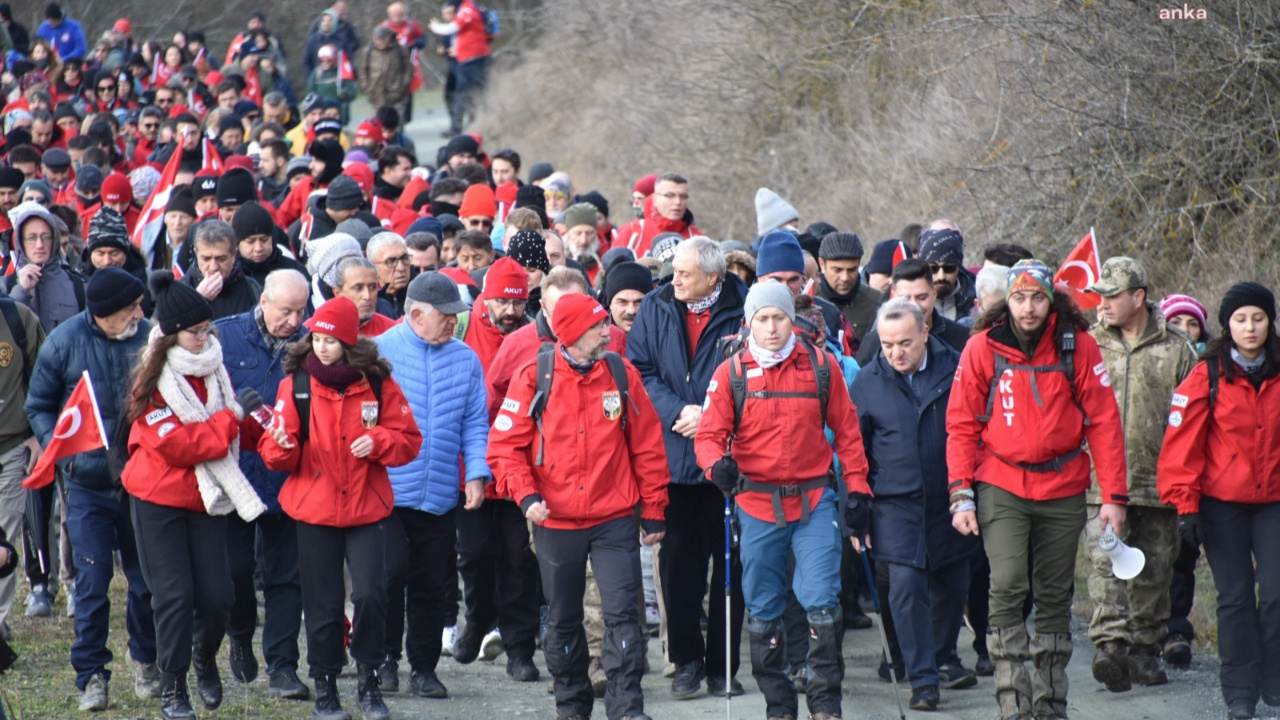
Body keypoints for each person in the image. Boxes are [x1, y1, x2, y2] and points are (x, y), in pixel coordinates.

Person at [947, 259, 1128, 720]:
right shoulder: (982, 349)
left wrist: (1113, 496)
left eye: (1038, 297)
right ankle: (1012, 700)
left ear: (1052, 300)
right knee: (1006, 583)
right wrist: (960, 494)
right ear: (1006, 301)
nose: (1029, 308)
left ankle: (1050, 702)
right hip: (1001, 481)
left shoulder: (1078, 347)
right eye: (1020, 297)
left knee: (1052, 593)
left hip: (1063, 483)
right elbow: (961, 426)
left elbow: (1104, 422)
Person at [488, 292, 669, 720]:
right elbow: (504, 447)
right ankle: (571, 706)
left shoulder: (621, 374)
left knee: (624, 614)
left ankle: (626, 706)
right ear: (570, 333)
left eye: (606, 323)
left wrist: (656, 508)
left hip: (614, 517)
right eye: (597, 326)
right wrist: (526, 495)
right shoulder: (535, 375)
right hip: (555, 519)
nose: (608, 331)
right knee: (564, 618)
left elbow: (648, 446)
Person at [695, 280, 870, 720]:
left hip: (813, 502)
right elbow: (709, 437)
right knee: (764, 605)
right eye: (763, 319)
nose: (772, 328)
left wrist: (858, 490)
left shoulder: (821, 366)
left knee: (822, 600)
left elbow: (848, 433)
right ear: (749, 323)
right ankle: (779, 705)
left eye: (779, 318)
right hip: (757, 505)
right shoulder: (731, 373)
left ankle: (825, 703)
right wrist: (717, 466)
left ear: (791, 320)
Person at [260, 296, 422, 720]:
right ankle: (326, 687)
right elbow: (276, 453)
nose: (322, 346)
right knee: (323, 605)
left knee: (371, 594)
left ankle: (369, 681)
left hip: (368, 509)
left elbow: (409, 440)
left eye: (331, 339)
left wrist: (381, 442)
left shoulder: (379, 384)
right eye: (316, 338)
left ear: (350, 342)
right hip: (315, 511)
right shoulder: (295, 384)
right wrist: (281, 446)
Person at [121, 272, 268, 719]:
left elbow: (224, 434)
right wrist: (233, 417)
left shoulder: (216, 368)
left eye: (208, 329)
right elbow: (180, 446)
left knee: (218, 596)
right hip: (158, 498)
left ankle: (204, 656)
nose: (204, 338)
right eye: (194, 332)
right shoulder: (151, 380)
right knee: (174, 596)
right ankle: (173, 686)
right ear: (171, 334)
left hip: (208, 498)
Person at [24, 268, 157, 712]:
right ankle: (91, 675)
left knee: (146, 583)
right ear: (104, 314)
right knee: (93, 582)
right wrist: (64, 454)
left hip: (143, 482)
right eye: (131, 307)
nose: (140, 312)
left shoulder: (150, 338)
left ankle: (146, 659)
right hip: (87, 486)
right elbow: (38, 405)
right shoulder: (63, 341)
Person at [627, 236, 746, 698]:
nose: (673, 278)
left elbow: (750, 370)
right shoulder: (657, 306)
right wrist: (679, 411)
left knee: (730, 568)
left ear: (712, 279)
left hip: (726, 464)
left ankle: (723, 666)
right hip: (675, 457)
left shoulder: (742, 307)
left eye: (684, 273)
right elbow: (640, 370)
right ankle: (686, 662)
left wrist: (711, 414)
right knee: (678, 566)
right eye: (674, 270)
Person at [1158, 282, 1280, 720]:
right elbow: (1181, 447)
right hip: (1222, 503)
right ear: (1227, 326)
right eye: (1241, 319)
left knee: (1276, 592)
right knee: (1235, 597)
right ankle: (1240, 692)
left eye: (1258, 318)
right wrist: (1185, 506)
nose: (1250, 327)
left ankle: (1274, 674)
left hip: (1274, 502)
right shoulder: (1205, 374)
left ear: (1270, 322)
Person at [850, 296, 976, 712]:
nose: (896, 353)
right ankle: (923, 680)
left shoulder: (958, 368)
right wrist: (856, 510)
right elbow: (854, 453)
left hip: (950, 501)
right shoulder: (867, 383)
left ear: (925, 331)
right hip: (894, 505)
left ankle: (939, 658)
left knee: (952, 590)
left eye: (904, 342)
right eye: (887, 345)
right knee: (905, 590)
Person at [374, 272, 493, 696]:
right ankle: (383, 660)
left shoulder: (466, 359)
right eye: (446, 317)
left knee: (431, 585)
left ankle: (423, 668)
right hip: (385, 493)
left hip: (440, 495)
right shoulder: (379, 352)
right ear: (417, 314)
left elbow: (475, 422)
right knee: (387, 577)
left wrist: (476, 473)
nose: (454, 324)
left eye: (458, 317)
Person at [1084, 257, 1198, 693]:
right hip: (1100, 481)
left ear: (1139, 296)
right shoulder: (1090, 344)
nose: (1105, 303)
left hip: (1159, 481)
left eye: (1113, 295)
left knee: (1153, 570)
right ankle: (1110, 647)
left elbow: (1194, 416)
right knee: (1104, 564)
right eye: (1101, 295)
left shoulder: (1177, 349)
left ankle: (1146, 651)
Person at [215, 270, 312, 701]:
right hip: (237, 477)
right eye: (285, 310)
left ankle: (283, 666)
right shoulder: (225, 336)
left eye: (300, 310)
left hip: (289, 478)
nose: (293, 319)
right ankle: (239, 633)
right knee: (235, 571)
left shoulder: (312, 345)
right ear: (264, 302)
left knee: (286, 577)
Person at [0, 294, 43, 636]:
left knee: (4, 535)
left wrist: (38, 435)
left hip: (13, 445)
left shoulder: (19, 318)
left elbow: (45, 380)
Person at [856, 258, 970, 367]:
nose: (914, 305)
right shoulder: (874, 343)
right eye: (905, 298)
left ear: (934, 294)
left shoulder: (962, 339)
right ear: (893, 296)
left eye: (921, 297)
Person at [5, 201, 87, 332]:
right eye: (32, 238)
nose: (39, 245)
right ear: (21, 242)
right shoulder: (5, 285)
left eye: (46, 237)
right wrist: (21, 291)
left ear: (54, 240)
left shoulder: (77, 285)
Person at [429, 0, 492, 136]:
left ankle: (479, 124)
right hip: (465, 59)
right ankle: (459, 126)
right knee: (461, 93)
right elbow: (462, 34)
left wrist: (436, 27)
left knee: (476, 92)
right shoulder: (465, 8)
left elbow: (453, 28)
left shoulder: (468, 10)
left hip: (475, 58)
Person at [183, 220, 264, 319]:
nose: (213, 267)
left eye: (221, 259)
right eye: (206, 259)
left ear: (234, 255)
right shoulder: (180, 290)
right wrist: (198, 300)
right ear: (196, 254)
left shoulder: (253, 290)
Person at [818, 231, 881, 348]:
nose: (845, 278)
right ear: (822, 264)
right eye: (837, 270)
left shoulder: (878, 303)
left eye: (852, 270)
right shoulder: (809, 300)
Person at [615, 173, 701, 258]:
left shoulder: (698, 239)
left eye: (683, 196)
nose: (677, 202)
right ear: (655, 199)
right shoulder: (634, 233)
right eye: (670, 195)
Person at [917, 228, 976, 323]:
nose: (941, 276)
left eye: (949, 268)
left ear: (959, 267)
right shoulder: (909, 300)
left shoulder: (977, 298)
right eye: (933, 269)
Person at [331, 257, 399, 337]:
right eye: (358, 288)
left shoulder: (392, 331)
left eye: (373, 287)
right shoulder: (320, 329)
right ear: (337, 292)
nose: (367, 296)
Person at [359, 27, 412, 121]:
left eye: (380, 39)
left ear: (388, 38)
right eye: (376, 39)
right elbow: (363, 70)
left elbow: (408, 69)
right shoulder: (369, 51)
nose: (378, 42)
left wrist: (403, 86)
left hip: (396, 94)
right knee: (379, 124)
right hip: (376, 94)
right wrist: (366, 87)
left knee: (397, 123)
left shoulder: (400, 50)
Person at [367, 232, 411, 318]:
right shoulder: (367, 302)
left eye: (404, 258)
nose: (401, 268)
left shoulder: (422, 295)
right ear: (373, 266)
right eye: (391, 261)